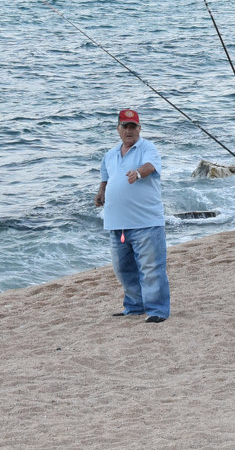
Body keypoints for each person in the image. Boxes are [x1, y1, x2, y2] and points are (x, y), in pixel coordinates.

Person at [95, 109, 169, 323]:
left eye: (133, 126)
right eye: (125, 126)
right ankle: (135, 306)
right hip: (116, 223)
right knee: (123, 269)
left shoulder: (147, 148)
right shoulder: (110, 155)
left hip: (146, 221)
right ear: (118, 129)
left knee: (151, 268)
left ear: (139, 128)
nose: (129, 130)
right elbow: (106, 178)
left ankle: (157, 310)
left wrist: (137, 173)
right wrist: (101, 193)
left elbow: (150, 166)